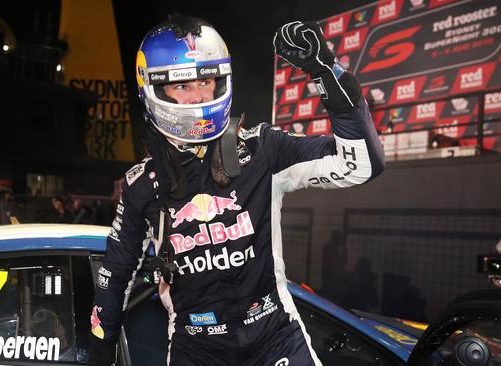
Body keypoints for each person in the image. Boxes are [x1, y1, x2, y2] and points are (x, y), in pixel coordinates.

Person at [90, 15, 384, 366]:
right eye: (182, 87)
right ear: (154, 91)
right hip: (195, 350)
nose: (200, 96)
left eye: (207, 81)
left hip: (276, 340)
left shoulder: (262, 149)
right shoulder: (141, 184)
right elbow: (115, 274)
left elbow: (361, 165)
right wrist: (100, 351)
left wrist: (328, 73)